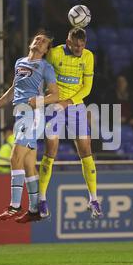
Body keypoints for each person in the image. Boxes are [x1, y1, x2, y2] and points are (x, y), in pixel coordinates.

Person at [0, 31, 59, 223]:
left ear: (46, 50)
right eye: (37, 39)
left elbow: (55, 96)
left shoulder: (46, 67)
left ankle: (14, 206)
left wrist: (38, 100)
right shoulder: (20, 62)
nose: (39, 41)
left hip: (32, 115)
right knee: (28, 165)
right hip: (21, 115)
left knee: (15, 157)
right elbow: (12, 90)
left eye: (43, 42)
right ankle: (35, 209)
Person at [38, 27, 102, 219]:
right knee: (51, 149)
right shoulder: (55, 54)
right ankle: (41, 199)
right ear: (68, 42)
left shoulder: (88, 57)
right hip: (54, 106)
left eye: (82, 45)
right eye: (76, 45)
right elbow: (43, 80)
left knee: (86, 149)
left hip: (75, 105)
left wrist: (68, 103)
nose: (79, 49)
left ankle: (93, 199)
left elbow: (87, 88)